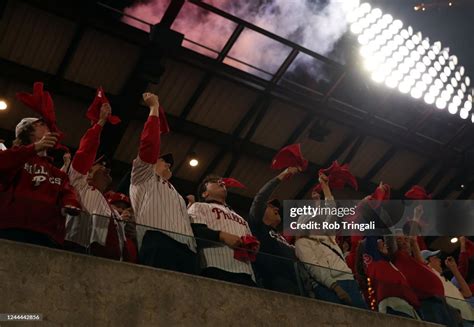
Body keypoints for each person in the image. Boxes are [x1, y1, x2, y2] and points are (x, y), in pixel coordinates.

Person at [130, 92, 197, 274]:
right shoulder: (143, 175)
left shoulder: (176, 193)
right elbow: (149, 145)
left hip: (188, 249)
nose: (168, 163)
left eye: (170, 163)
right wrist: (154, 108)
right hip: (158, 240)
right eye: (163, 159)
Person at [0, 117, 80, 247]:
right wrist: (35, 148)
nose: (48, 128)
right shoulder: (14, 159)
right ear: (28, 131)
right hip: (11, 228)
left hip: (47, 235)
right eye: (41, 124)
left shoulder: (58, 173)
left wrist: (71, 202)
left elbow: (67, 192)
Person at [295, 173, 367, 309]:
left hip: (349, 281)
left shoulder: (328, 235)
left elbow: (331, 209)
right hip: (328, 286)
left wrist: (325, 186)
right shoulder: (302, 243)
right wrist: (335, 287)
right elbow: (314, 268)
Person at [65, 103, 127, 260]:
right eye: (100, 166)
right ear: (88, 173)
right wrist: (100, 123)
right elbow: (85, 151)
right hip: (77, 253)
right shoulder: (79, 184)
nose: (106, 169)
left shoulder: (110, 207)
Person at [188, 175, 256, 286]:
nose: (221, 182)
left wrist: (252, 246)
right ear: (205, 193)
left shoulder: (241, 219)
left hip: (245, 272)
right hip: (214, 266)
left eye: (221, 181)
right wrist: (221, 235)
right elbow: (196, 231)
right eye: (213, 182)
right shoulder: (199, 206)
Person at [248, 167, 300, 294]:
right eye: (270, 206)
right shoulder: (257, 226)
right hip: (274, 282)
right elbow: (260, 198)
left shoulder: (281, 236)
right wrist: (281, 176)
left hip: (298, 282)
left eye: (276, 207)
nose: (276, 208)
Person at [357, 237, 421, 318]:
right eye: (379, 242)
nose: (384, 244)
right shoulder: (375, 262)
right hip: (394, 305)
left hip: (408, 306)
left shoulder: (389, 264)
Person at [422, 250, 474, 324]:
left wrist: (454, 269)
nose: (440, 260)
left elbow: (467, 294)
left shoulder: (446, 280)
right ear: (426, 261)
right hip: (456, 319)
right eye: (435, 258)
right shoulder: (430, 275)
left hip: (468, 317)